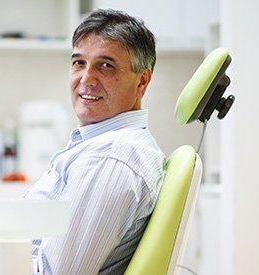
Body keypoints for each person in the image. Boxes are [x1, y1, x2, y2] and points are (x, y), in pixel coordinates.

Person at [23, 8, 166, 275]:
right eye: (79, 63)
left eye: (106, 65)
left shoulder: (112, 156)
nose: (86, 79)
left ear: (142, 81)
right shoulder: (100, 145)